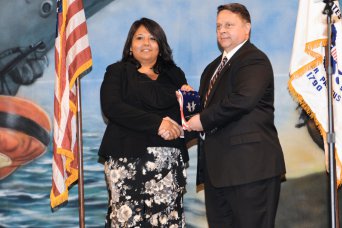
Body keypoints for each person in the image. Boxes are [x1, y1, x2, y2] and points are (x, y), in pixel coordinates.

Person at [186, 3, 286, 228]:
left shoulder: (254, 59)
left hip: (250, 170)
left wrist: (201, 120)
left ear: (247, 28)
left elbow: (243, 100)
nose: (222, 30)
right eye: (218, 26)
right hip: (217, 174)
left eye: (229, 25)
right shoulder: (212, 68)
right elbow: (203, 109)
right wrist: (186, 110)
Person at [98, 17, 191, 227]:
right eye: (139, 37)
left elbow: (188, 117)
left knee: (168, 222)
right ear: (130, 45)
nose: (146, 43)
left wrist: (188, 107)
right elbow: (112, 107)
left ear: (161, 45)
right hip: (126, 160)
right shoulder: (117, 71)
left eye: (152, 38)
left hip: (169, 164)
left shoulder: (175, 74)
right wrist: (158, 124)